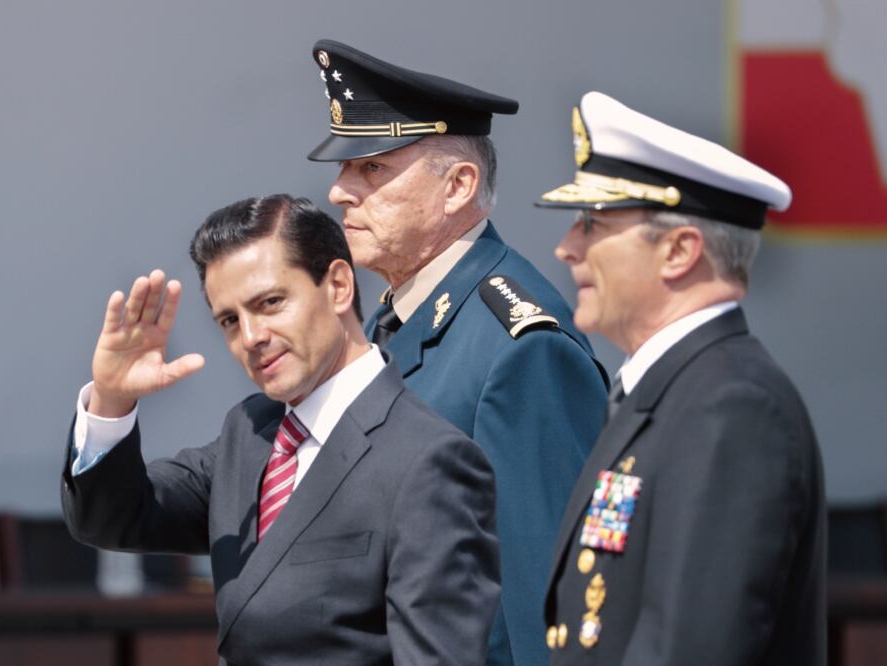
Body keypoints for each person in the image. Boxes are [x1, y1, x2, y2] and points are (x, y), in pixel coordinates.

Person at [60, 194, 500, 666]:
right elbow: (114, 517)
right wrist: (112, 397)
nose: (251, 337)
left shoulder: (425, 460)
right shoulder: (249, 434)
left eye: (270, 303)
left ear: (337, 286)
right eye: (229, 320)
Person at [305, 40, 610, 666]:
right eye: (344, 169)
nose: (339, 191)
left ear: (458, 186)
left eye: (372, 169)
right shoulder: (401, 317)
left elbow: (547, 605)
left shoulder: (520, 349)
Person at [539, 91, 826, 664]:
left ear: (679, 251)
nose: (567, 247)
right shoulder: (678, 390)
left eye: (593, 224)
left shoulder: (732, 406)